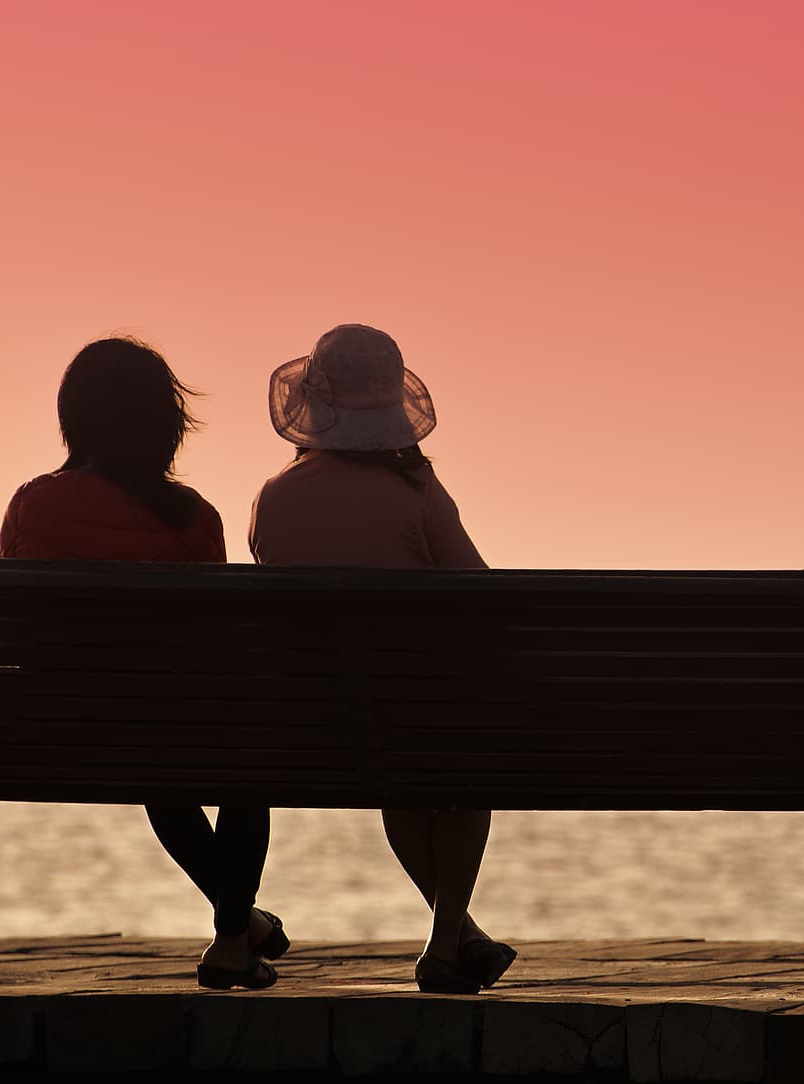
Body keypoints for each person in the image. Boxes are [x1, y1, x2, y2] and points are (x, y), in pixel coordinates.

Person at [0, 336, 285, 990]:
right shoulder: (192, 521)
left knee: (159, 764)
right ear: (167, 425)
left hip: (56, 733)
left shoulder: (34, 505)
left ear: (73, 420)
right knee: (233, 766)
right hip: (163, 728)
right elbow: (217, 647)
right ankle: (235, 935)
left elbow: (14, 627)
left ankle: (242, 930)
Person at [249, 323, 515, 995]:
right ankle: (447, 943)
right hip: (420, 714)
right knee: (459, 772)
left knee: (401, 774)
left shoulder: (274, 499)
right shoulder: (415, 493)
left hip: (321, 729)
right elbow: (483, 597)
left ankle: (458, 941)